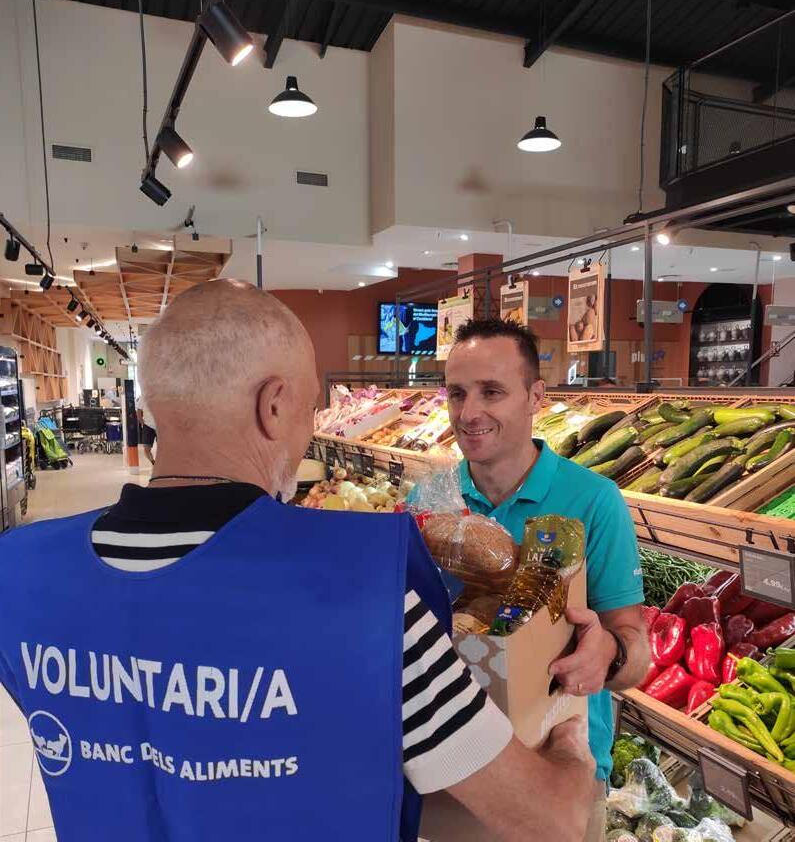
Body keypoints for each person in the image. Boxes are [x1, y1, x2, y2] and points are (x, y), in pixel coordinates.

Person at [0, 281, 593, 842]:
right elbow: (548, 820)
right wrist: (570, 738)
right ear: (275, 406)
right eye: (310, 408)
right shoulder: (366, 590)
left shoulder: (20, 574)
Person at [424, 317, 650, 842]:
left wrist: (608, 654)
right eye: (457, 393)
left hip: (560, 775)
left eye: (492, 392)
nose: (469, 412)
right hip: (451, 770)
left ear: (536, 397)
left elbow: (635, 652)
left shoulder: (593, 501)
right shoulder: (429, 504)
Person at [135, 392, 157, 465]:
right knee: (147, 449)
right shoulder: (143, 397)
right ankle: (153, 462)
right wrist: (142, 422)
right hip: (148, 426)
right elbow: (138, 411)